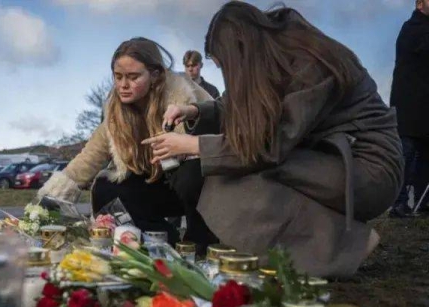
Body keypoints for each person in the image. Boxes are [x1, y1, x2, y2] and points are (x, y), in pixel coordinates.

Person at [143, 2, 403, 277]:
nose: (227, 75)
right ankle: (333, 240)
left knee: (238, 170)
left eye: (226, 66)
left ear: (241, 51)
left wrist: (192, 145)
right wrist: (194, 110)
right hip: (330, 158)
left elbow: (269, 146)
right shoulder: (275, 56)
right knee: (229, 167)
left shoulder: (310, 62)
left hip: (369, 170)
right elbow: (240, 103)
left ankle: (344, 246)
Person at [38, 37, 213, 246]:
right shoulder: (116, 111)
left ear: (155, 75)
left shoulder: (186, 96)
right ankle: (156, 242)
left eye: (133, 77)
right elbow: (90, 157)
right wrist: (48, 203)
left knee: (191, 174)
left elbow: (218, 143)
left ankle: (199, 246)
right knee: (105, 186)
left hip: (200, 186)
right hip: (157, 183)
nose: (123, 85)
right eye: (118, 77)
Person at [388, 0, 429, 217]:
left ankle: (423, 202)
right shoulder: (412, 28)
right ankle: (399, 203)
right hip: (409, 107)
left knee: (425, 157)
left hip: (424, 110)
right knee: (406, 154)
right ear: (420, 4)